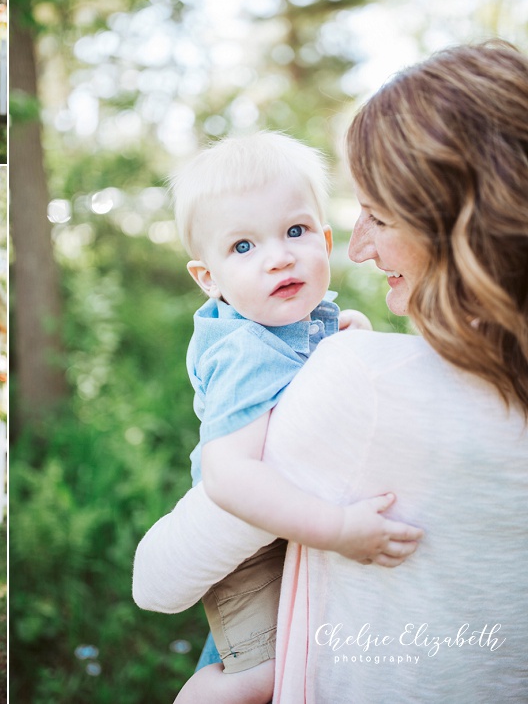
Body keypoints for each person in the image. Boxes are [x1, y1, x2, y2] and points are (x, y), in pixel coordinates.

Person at [133, 40, 528, 702]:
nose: (359, 245)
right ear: (208, 277)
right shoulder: (305, 353)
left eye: (377, 214)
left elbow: (155, 580)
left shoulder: (361, 381)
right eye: (244, 245)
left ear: (455, 225)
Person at [167, 132, 420, 704]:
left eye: (295, 232)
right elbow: (228, 472)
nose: (278, 255)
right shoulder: (245, 351)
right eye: (242, 247)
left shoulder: (304, 320)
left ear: (325, 241)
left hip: (283, 522)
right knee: (262, 675)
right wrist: (338, 530)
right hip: (247, 536)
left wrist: (346, 342)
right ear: (208, 279)